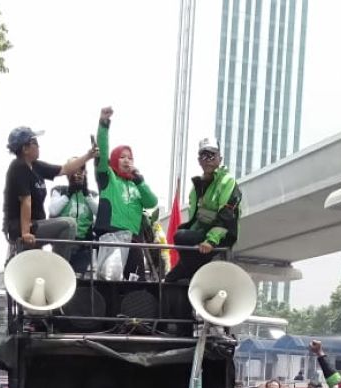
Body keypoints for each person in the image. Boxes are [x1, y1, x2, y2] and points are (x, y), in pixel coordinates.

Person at [3, 125, 96, 259]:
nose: (39, 146)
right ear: (25, 148)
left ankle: (55, 264)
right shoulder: (18, 166)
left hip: (35, 225)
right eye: (35, 143)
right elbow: (26, 201)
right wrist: (25, 233)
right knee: (68, 224)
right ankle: (59, 265)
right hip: (22, 227)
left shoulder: (36, 166)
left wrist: (89, 155)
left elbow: (65, 169)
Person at [93, 106, 158, 280]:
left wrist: (139, 180)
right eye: (122, 157)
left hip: (133, 241)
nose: (127, 160)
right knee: (110, 282)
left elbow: (152, 202)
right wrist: (104, 124)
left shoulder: (137, 184)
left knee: (135, 283)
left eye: (130, 157)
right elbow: (102, 151)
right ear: (114, 160)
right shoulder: (108, 178)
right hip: (111, 237)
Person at [169, 138, 241, 283]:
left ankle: (196, 278)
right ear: (199, 160)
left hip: (221, 237)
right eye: (203, 156)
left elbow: (226, 214)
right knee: (170, 280)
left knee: (181, 237)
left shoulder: (227, 181)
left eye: (211, 155)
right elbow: (196, 219)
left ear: (219, 158)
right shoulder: (197, 186)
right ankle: (192, 277)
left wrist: (211, 241)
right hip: (202, 236)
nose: (207, 159)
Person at [48, 168, 100, 274]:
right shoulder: (59, 190)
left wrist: (86, 195)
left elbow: (99, 213)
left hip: (83, 245)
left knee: (78, 280)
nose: (78, 174)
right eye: (74, 171)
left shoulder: (92, 194)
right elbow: (53, 210)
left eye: (81, 171)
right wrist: (68, 194)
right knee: (59, 274)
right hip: (63, 244)